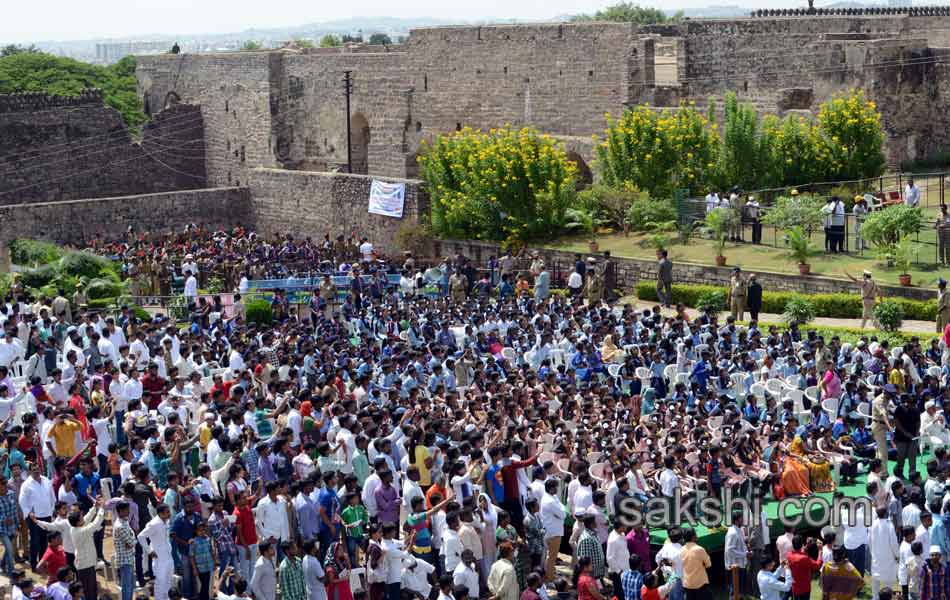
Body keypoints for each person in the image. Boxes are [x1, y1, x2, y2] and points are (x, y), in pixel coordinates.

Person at [138, 504, 174, 600]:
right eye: (167, 512)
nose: (169, 514)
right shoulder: (153, 524)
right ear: (160, 514)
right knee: (160, 585)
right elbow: (140, 536)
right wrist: (149, 551)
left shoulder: (166, 521)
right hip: (159, 560)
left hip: (168, 557)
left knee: (168, 582)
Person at [680, 528, 711, 600]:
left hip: (687, 585)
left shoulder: (681, 550)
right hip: (700, 584)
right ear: (693, 537)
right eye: (695, 534)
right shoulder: (699, 549)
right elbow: (708, 564)